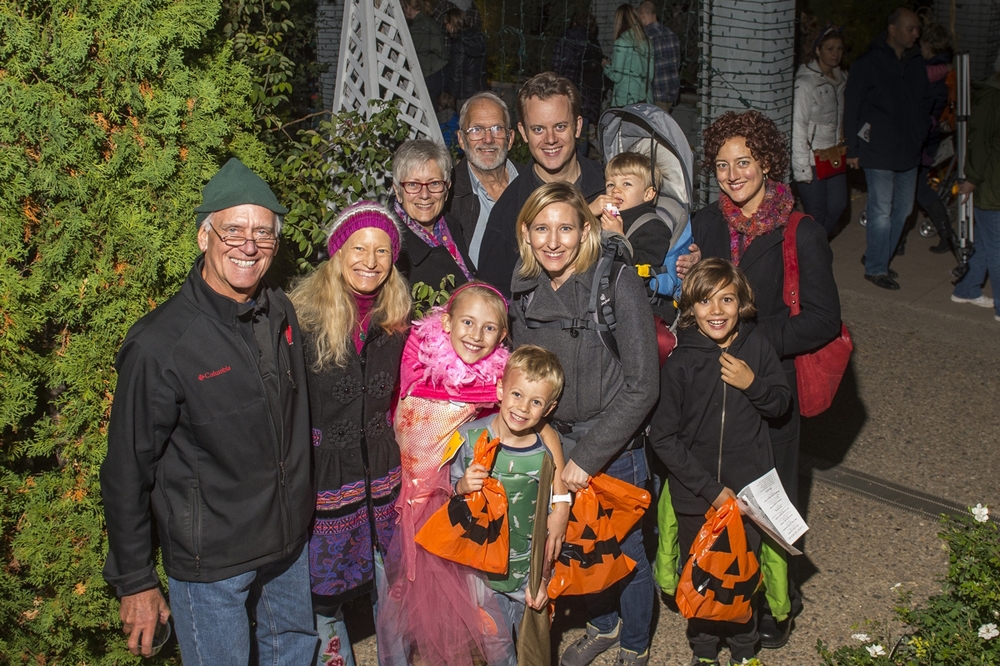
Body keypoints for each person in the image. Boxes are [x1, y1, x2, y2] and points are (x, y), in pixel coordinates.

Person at [100, 158, 316, 663]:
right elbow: (127, 470)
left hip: (287, 548)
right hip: (213, 567)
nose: (249, 245)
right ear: (204, 236)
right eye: (234, 230)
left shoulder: (280, 311)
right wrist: (135, 581)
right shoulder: (161, 345)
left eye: (263, 234)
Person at [692, 110, 842, 649]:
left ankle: (780, 602)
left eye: (744, 162)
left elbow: (824, 319)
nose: (732, 175)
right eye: (722, 165)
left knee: (772, 495)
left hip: (769, 385)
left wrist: (755, 345)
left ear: (768, 163)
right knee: (720, 491)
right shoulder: (708, 223)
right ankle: (727, 589)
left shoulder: (799, 231)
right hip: (714, 385)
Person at [510, 182, 660, 666]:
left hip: (613, 447)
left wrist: (587, 459)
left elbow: (643, 387)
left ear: (585, 232)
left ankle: (635, 644)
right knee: (579, 545)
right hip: (554, 442)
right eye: (542, 228)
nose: (553, 241)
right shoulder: (524, 286)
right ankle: (603, 624)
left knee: (625, 550)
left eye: (566, 228)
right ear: (526, 234)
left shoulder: (615, 282)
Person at [649, 258, 791, 666]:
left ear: (742, 303)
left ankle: (745, 650)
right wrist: (709, 490)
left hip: (749, 495)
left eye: (726, 299)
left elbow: (782, 404)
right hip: (699, 497)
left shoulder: (758, 348)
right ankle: (705, 651)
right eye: (705, 301)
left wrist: (754, 384)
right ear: (690, 307)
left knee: (742, 578)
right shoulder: (681, 363)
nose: (716, 310)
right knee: (704, 577)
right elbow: (663, 437)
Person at [288, 202, 412, 666]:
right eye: (359, 247)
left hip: (383, 472)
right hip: (325, 479)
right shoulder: (302, 321)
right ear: (337, 253)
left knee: (394, 587)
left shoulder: (398, 320)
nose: (370, 260)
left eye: (383, 250)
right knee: (324, 601)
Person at [377, 282, 514, 666]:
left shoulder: (495, 385)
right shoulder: (417, 360)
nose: (476, 334)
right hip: (397, 491)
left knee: (454, 594)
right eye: (467, 322)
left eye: (489, 328)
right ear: (447, 323)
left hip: (441, 497)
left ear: (502, 335)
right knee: (397, 594)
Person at [449, 345, 571, 663]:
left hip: (526, 576)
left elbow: (549, 524)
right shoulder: (469, 437)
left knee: (533, 650)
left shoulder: (543, 455)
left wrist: (543, 579)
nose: (522, 408)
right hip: (481, 576)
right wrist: (462, 485)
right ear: (501, 389)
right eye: (516, 394)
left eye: (535, 402)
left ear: (549, 408)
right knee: (495, 649)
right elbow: (448, 499)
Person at [477, 73, 608, 297]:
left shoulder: (610, 187)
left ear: (577, 127)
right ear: (523, 133)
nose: (550, 139)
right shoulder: (509, 212)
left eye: (559, 127)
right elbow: (493, 301)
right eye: (538, 129)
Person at [844, 7, 930, 290]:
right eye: (911, 28)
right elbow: (853, 107)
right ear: (893, 29)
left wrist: (921, 133)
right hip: (878, 149)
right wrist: (853, 148)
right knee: (880, 211)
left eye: (917, 28)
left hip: (908, 151)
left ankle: (876, 253)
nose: (916, 34)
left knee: (903, 210)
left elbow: (924, 102)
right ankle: (876, 268)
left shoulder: (916, 62)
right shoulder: (868, 63)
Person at [447, 91, 523, 270]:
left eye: (497, 128)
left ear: (510, 139)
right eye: (476, 130)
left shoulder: (533, 183)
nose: (488, 139)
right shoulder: (447, 195)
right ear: (461, 140)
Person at [950, 52, 1000, 320]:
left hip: (992, 183)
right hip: (992, 186)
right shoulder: (992, 100)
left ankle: (967, 288)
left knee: (986, 242)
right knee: (996, 245)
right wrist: (971, 178)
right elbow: (979, 145)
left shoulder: (992, 98)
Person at [392, 139, 475, 290]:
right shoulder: (390, 244)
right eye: (413, 184)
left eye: (434, 183)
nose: (425, 194)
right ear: (397, 191)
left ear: (447, 188)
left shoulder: (452, 225)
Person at [792, 24, 849, 237]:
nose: (835, 54)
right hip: (812, 158)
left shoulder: (841, 80)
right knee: (816, 212)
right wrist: (801, 169)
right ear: (818, 50)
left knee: (838, 206)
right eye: (830, 48)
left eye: (839, 48)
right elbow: (799, 125)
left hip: (833, 153)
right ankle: (810, 255)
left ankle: (811, 247)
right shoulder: (806, 83)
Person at [915, 23, 957, 254]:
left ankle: (947, 235)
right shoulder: (944, 70)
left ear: (928, 44)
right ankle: (947, 236)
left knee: (920, 189)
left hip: (924, 140)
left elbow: (928, 108)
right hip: (931, 137)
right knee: (916, 189)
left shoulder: (932, 73)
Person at [551, 12, 609, 158]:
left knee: (562, 132)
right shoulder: (593, 44)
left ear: (575, 22)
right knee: (581, 135)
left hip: (564, 94)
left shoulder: (566, 39)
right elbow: (597, 75)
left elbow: (556, 65)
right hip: (586, 99)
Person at [604, 4, 653, 108]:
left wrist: (606, 66)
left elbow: (616, 76)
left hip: (625, 102)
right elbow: (651, 76)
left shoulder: (621, 42)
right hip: (644, 101)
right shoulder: (647, 42)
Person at [638, 1, 680, 113]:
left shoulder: (645, 37)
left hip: (656, 93)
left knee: (655, 127)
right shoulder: (672, 35)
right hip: (672, 91)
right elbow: (677, 63)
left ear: (642, 16)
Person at [442, 7, 487, 111]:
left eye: (446, 24)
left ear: (452, 23)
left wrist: (451, 95)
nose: (446, 27)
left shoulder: (459, 43)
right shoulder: (479, 38)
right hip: (480, 90)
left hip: (464, 94)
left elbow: (456, 72)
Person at [403, 0, 448, 104]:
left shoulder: (419, 24)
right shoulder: (426, 20)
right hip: (439, 71)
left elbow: (410, 49)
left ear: (410, 8)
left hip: (432, 74)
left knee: (430, 106)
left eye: (405, 7)